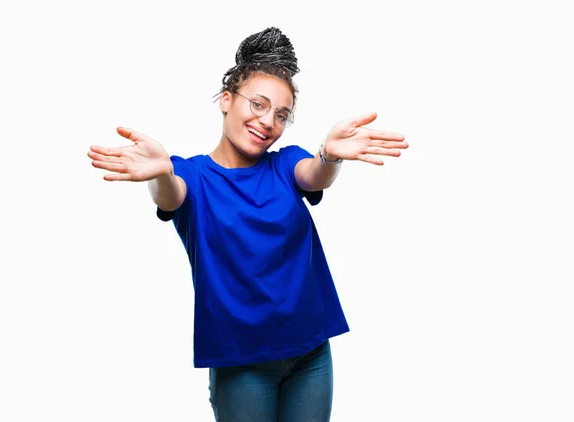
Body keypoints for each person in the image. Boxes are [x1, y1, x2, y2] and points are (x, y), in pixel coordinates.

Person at [88, 27, 408, 422]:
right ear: (226, 100)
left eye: (281, 114)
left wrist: (330, 155)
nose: (267, 121)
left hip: (311, 354)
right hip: (242, 364)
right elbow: (171, 195)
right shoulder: (193, 175)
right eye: (258, 104)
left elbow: (314, 175)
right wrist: (159, 173)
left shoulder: (287, 163)